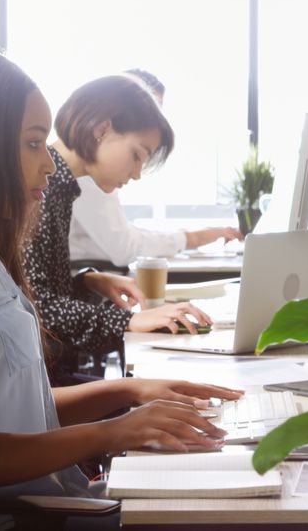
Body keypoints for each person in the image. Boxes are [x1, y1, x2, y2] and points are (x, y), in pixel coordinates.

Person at [0, 51, 241, 528]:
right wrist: (109, 431)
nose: (50, 166)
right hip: (16, 519)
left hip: (46, 501)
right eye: (34, 144)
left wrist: (132, 390)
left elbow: (19, 407)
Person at [25, 74, 226, 385]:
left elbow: (36, 290)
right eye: (137, 155)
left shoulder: (63, 187)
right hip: (42, 384)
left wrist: (89, 281)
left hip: (49, 375)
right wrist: (130, 321)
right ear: (102, 129)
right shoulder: (43, 187)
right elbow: (39, 311)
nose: (137, 174)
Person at [66, 69, 241, 268]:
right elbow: (124, 248)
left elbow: (124, 234)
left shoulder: (88, 172)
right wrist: (193, 238)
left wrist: (197, 235)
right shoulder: (84, 175)